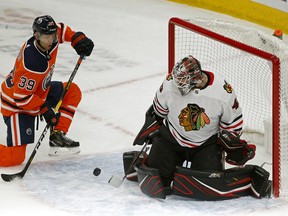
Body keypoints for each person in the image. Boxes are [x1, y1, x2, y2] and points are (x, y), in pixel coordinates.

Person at [127, 55, 271, 200]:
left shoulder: (222, 92)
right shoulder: (170, 85)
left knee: (206, 185)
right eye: (178, 80)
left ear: (196, 78)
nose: (178, 84)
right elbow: (158, 112)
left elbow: (233, 125)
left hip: (206, 143)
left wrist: (230, 142)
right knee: (157, 180)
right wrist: (150, 131)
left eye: (183, 81)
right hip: (171, 137)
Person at [0, 15, 94, 167]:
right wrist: (44, 109)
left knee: (72, 91)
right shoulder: (32, 62)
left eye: (52, 36)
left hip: (38, 92)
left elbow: (61, 30)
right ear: (36, 35)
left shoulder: (50, 39)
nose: (51, 41)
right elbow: (21, 97)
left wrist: (77, 38)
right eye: (46, 37)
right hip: (16, 106)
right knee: (14, 158)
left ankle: (57, 135)